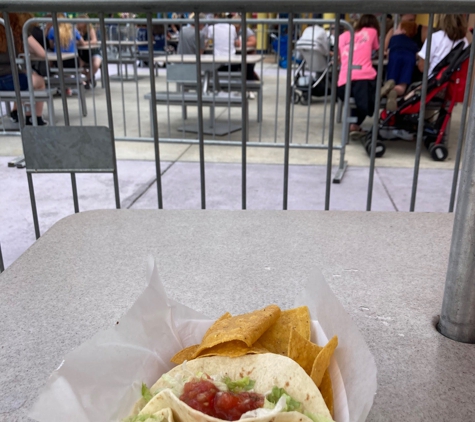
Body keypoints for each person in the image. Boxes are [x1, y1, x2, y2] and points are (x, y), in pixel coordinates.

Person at [337, 14, 380, 139]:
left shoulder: (342, 37)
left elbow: (340, 58)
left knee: (356, 98)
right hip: (364, 78)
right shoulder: (372, 32)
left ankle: (353, 124)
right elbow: (379, 50)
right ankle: (355, 124)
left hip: (343, 84)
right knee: (366, 98)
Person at [0, 13, 48, 125]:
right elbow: (42, 53)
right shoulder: (19, 31)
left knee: (25, 77)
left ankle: (16, 111)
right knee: (39, 81)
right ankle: (34, 117)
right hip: (13, 80)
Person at [383, 21, 420, 103]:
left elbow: (388, 52)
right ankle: (396, 90)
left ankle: (389, 88)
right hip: (409, 58)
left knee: (392, 79)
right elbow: (417, 55)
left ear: (403, 30)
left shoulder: (394, 38)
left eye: (398, 28)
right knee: (402, 86)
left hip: (395, 56)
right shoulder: (413, 43)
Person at [76, 15, 102, 89]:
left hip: (93, 52)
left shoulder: (90, 29)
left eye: (80, 21)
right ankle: (89, 76)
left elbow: (94, 40)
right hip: (82, 54)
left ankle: (87, 79)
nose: (79, 23)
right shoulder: (75, 30)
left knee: (96, 64)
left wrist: (84, 42)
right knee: (76, 66)